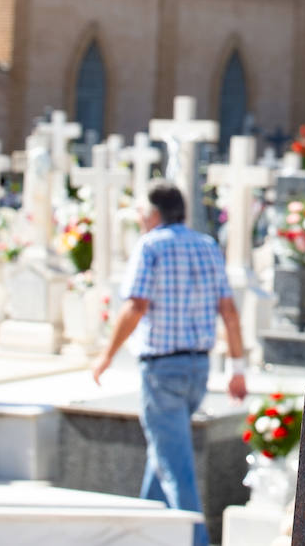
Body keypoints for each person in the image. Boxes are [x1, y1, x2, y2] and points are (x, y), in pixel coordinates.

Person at [92, 180, 247, 546]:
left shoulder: (151, 246)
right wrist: (237, 370)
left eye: (143, 213)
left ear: (155, 214)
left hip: (162, 368)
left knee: (177, 469)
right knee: (163, 452)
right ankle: (143, 534)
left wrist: (106, 355)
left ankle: (197, 541)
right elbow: (228, 311)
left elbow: (136, 306)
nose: (142, 220)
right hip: (197, 368)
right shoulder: (207, 246)